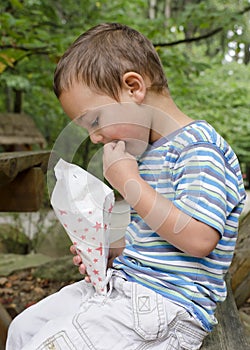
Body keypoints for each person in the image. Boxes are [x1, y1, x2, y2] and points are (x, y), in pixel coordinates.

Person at [6, 22, 246, 350]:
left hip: (169, 307)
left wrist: (127, 181)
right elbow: (153, 237)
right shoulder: (145, 152)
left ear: (133, 87)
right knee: (23, 329)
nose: (94, 138)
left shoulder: (198, 148)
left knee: (47, 344)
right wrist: (110, 249)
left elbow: (199, 238)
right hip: (127, 288)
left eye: (94, 121)